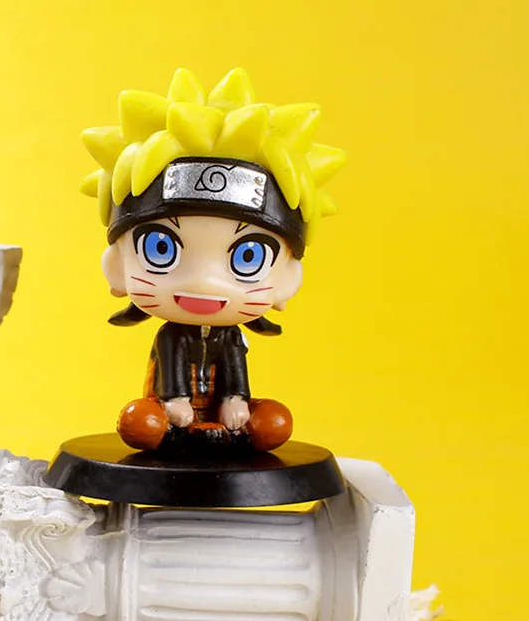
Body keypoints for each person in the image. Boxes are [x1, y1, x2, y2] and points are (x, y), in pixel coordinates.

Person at [80, 67, 346, 451]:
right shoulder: (171, 335)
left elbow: (236, 368)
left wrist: (236, 399)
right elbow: (170, 365)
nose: (204, 281)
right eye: (160, 248)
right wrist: (174, 400)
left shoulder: (231, 335)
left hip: (220, 411)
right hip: (172, 410)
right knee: (141, 423)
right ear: (116, 266)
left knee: (273, 422)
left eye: (248, 256)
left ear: (288, 279)